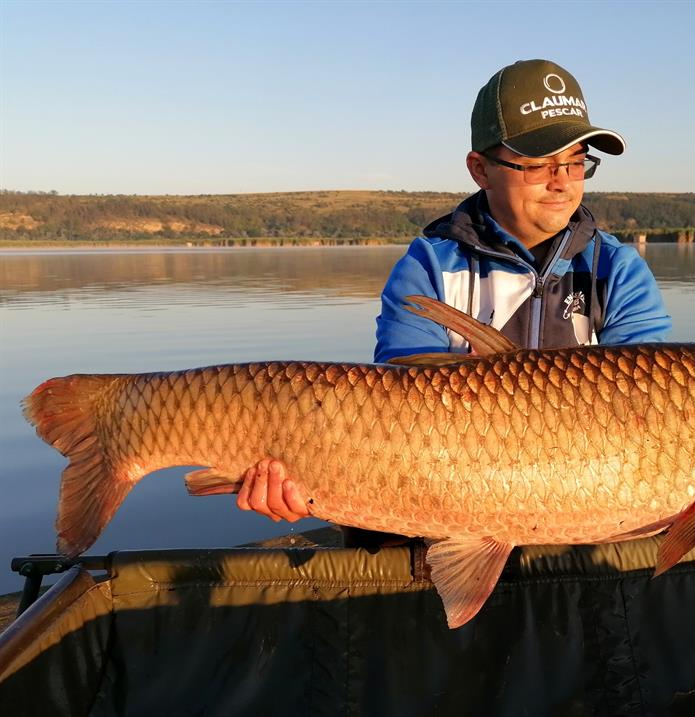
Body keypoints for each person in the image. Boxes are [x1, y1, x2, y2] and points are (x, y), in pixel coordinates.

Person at [236, 59, 671, 524]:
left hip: (581, 498)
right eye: (537, 164)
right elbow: (394, 415)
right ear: (480, 169)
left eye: (576, 161)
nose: (561, 180)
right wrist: (313, 478)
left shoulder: (617, 269)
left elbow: (645, 416)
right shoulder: (430, 267)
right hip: (441, 489)